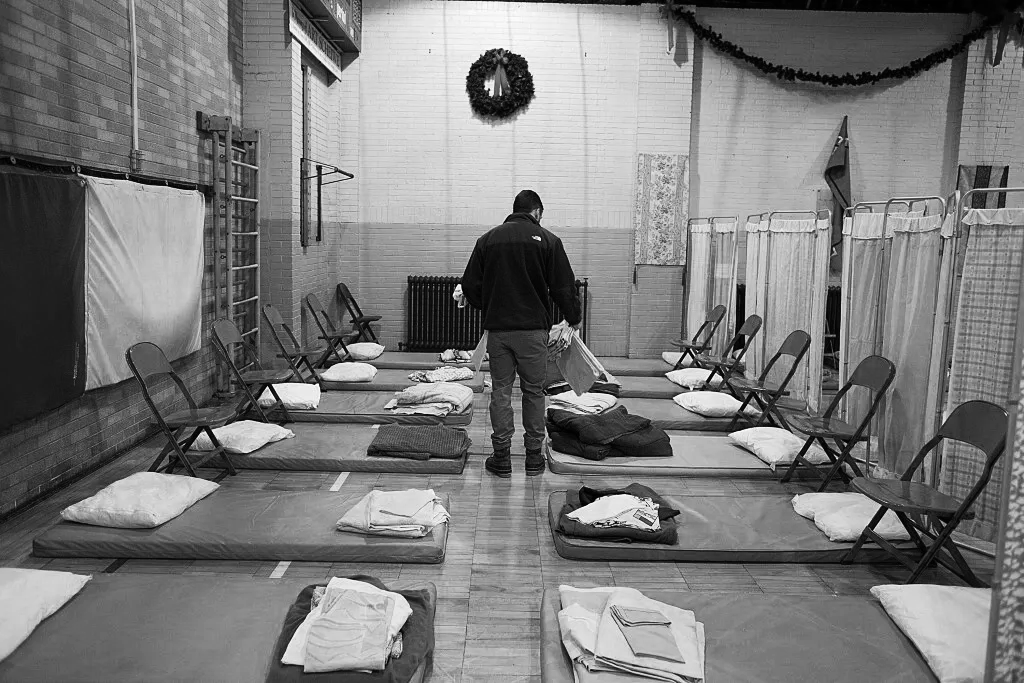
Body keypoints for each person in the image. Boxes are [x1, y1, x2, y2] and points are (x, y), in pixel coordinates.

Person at [460, 190, 582, 478]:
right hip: (533, 333)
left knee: (500, 391)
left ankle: (501, 457)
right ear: (537, 212)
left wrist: (487, 306)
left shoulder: (487, 240)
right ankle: (533, 459)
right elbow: (564, 287)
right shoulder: (549, 241)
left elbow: (469, 285)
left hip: (499, 332)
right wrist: (573, 319)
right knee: (533, 391)